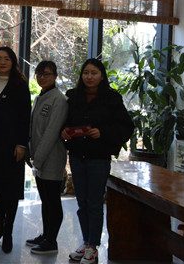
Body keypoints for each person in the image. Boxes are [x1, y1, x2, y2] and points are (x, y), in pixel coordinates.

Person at [62, 58, 133, 264]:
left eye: (94, 73)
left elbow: (126, 127)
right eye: (86, 73)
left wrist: (103, 132)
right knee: (81, 202)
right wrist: (64, 131)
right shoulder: (73, 97)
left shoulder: (112, 98)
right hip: (77, 156)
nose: (89, 76)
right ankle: (85, 242)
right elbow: (65, 122)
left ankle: (93, 247)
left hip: (98, 158)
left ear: (102, 76)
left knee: (94, 203)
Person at [0, 46, 31, 253]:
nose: (2, 62)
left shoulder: (20, 85)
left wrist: (21, 144)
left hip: (12, 148)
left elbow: (25, 117)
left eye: (6, 59)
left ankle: (8, 232)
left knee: (11, 191)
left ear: (13, 62)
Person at [26, 60, 68, 255]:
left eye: (47, 74)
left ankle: (52, 241)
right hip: (39, 158)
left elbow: (51, 132)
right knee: (45, 200)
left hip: (51, 158)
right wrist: (31, 153)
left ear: (55, 76)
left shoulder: (59, 100)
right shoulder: (39, 97)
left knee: (52, 200)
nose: (42, 78)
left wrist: (38, 159)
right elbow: (34, 130)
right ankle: (46, 235)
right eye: (39, 74)